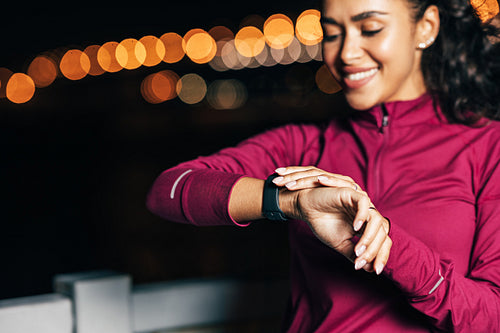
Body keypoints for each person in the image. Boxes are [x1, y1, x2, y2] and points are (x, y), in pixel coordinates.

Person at [146, 0, 500, 331]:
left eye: (371, 28)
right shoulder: (303, 146)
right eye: (331, 33)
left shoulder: (488, 147)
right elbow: (170, 190)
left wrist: (391, 250)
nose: (344, 53)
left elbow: (492, 317)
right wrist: (289, 201)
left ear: (426, 27)